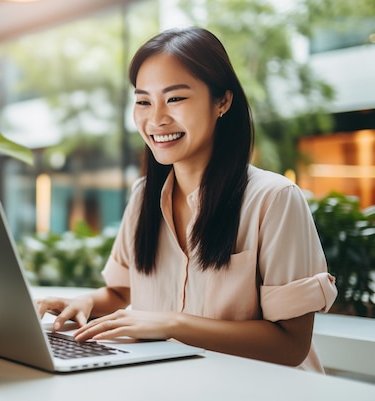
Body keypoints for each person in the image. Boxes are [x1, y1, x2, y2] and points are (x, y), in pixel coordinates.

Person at [36, 26, 337, 372]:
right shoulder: (142, 197)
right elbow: (121, 294)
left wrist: (172, 324)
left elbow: (290, 344)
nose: (156, 118)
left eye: (175, 98)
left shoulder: (274, 199)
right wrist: (84, 301)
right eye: (143, 101)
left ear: (222, 101)